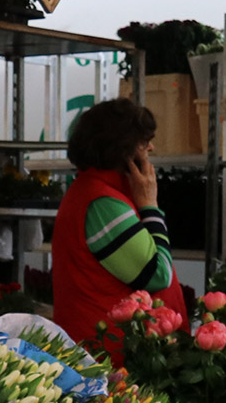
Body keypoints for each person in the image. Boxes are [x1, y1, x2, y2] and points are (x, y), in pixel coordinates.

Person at [51, 97, 187, 346]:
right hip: (112, 359)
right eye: (144, 142)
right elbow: (158, 275)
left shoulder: (96, 192)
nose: (151, 148)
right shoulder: (103, 203)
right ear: (123, 150)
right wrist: (150, 206)